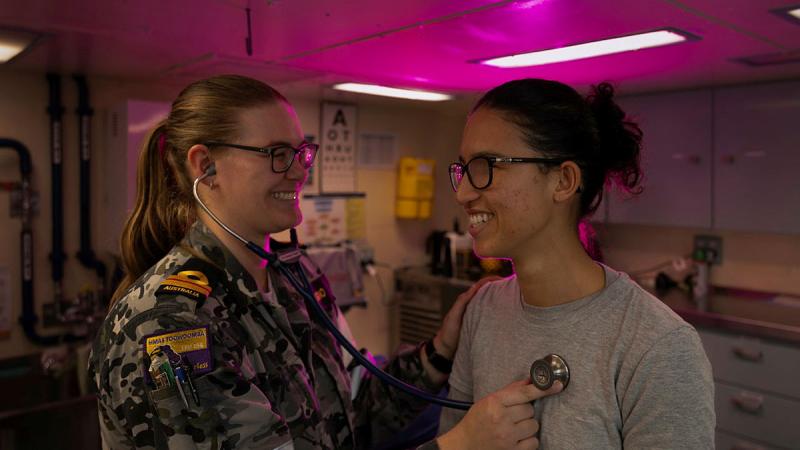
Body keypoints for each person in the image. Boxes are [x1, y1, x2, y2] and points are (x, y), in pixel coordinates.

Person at [88, 74, 556, 450]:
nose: (299, 169)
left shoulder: (293, 277)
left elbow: (352, 415)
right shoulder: (170, 323)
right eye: (276, 154)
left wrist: (438, 351)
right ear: (205, 166)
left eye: (300, 151)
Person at [437, 79, 715, 449]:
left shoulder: (657, 345)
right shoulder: (483, 311)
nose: (463, 193)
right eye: (464, 169)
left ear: (564, 181)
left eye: (486, 166)